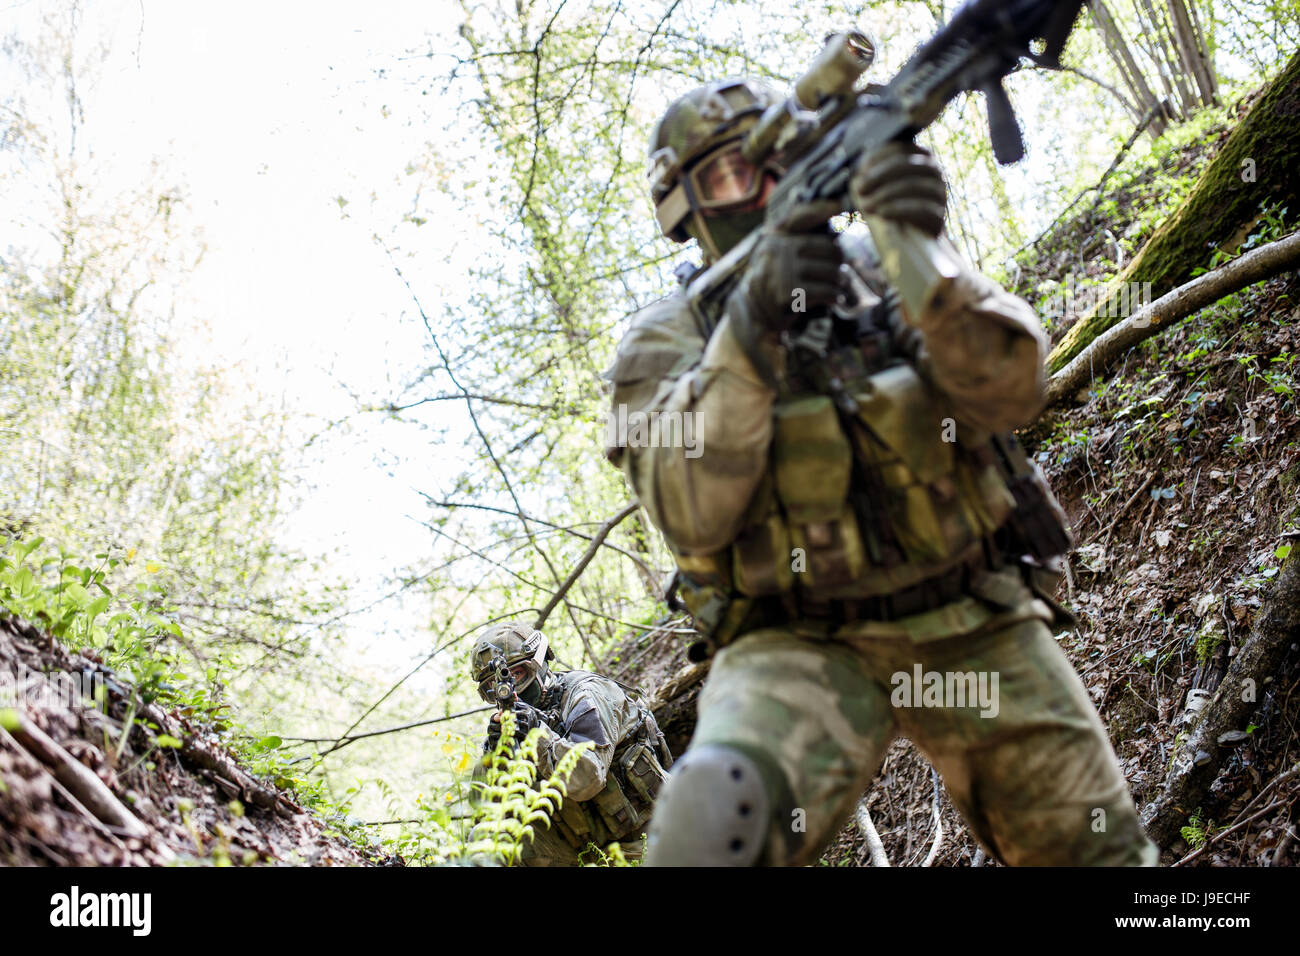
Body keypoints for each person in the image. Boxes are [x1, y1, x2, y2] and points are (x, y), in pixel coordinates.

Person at [603, 77, 1158, 866]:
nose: (758, 189)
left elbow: (1013, 387)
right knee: (711, 831)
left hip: (971, 617)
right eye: (726, 175)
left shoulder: (874, 268)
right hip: (797, 643)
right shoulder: (663, 341)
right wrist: (753, 328)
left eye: (773, 162)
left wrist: (915, 242)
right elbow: (691, 513)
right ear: (681, 207)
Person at [469, 621, 671, 865]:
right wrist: (495, 755)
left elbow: (587, 780)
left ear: (539, 664)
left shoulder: (585, 696)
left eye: (517, 675)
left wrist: (537, 734)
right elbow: (481, 806)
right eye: (492, 687)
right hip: (583, 851)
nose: (509, 690)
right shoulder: (515, 723)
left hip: (650, 838)